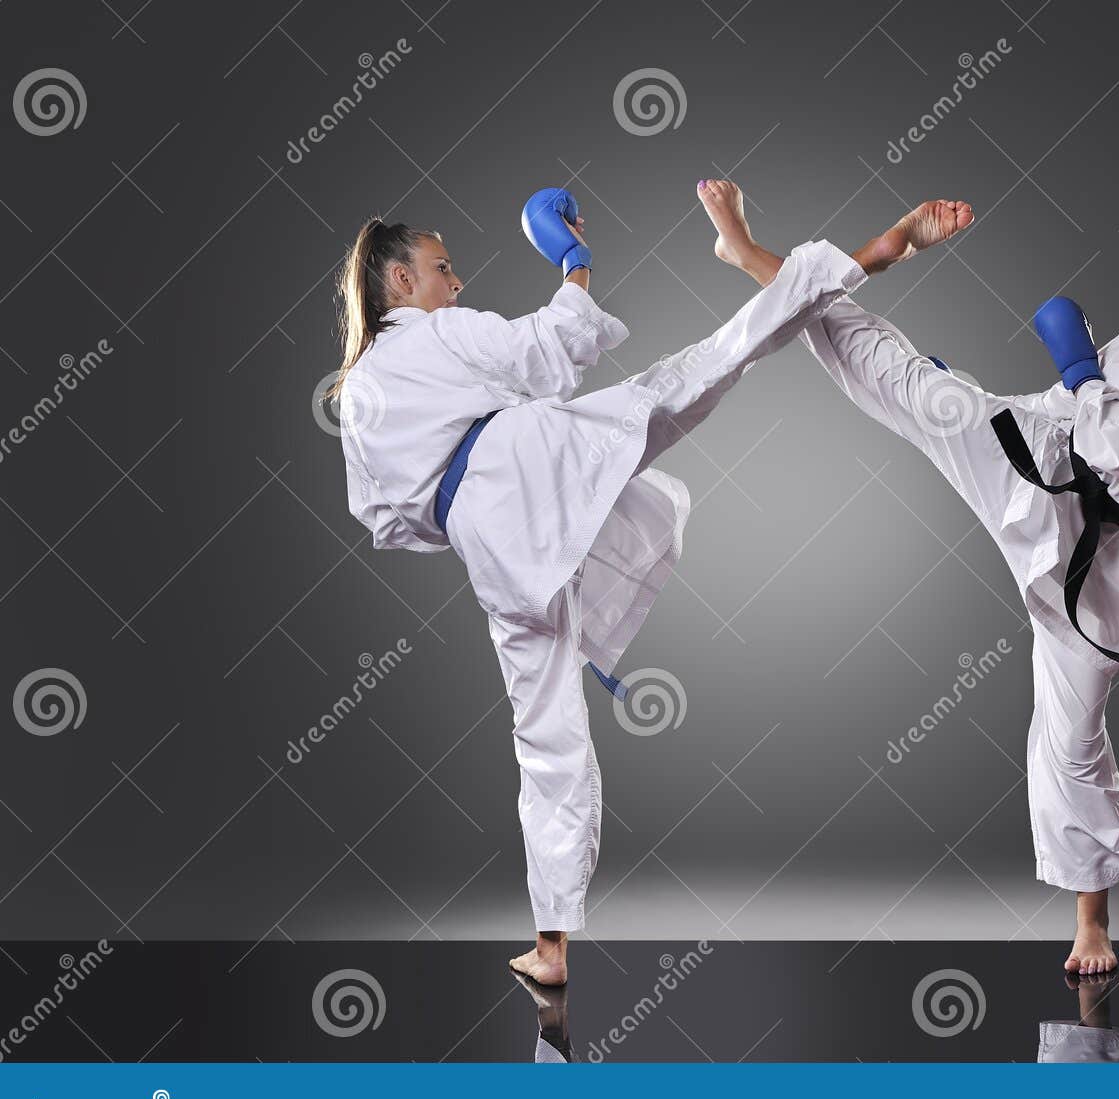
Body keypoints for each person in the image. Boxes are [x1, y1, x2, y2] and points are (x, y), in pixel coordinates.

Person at [329, 179, 970, 985]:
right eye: (442, 268)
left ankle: (551, 945)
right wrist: (573, 260)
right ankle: (859, 254)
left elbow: (387, 522)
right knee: (696, 370)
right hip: (529, 463)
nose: (454, 282)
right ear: (400, 283)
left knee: (546, 734)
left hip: (490, 544)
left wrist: (483, 519)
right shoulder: (437, 332)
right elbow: (554, 344)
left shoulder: (358, 395)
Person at [779, 193, 1119, 974]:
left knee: (1072, 735)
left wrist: (1078, 366)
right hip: (1040, 468)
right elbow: (1060, 411)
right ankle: (773, 273)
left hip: (1108, 555)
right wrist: (982, 402)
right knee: (913, 386)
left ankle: (1092, 925)